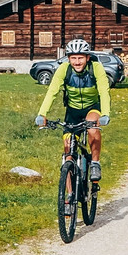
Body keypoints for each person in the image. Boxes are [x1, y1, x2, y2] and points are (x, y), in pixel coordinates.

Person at [35, 38, 111, 181]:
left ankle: (95, 163)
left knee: (92, 126)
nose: (77, 62)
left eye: (80, 58)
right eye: (73, 58)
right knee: (68, 152)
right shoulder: (64, 69)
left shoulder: (96, 68)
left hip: (92, 108)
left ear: (87, 58)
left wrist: (105, 114)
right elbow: (52, 91)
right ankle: (69, 197)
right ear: (68, 58)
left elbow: (104, 91)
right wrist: (42, 114)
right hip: (72, 112)